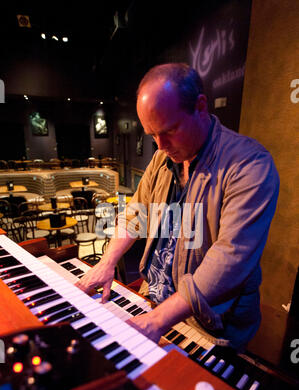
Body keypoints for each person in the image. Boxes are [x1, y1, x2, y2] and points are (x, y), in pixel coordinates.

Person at [76, 63, 279, 351]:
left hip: (207, 325)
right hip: (153, 299)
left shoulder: (249, 165)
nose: (160, 146)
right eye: (152, 135)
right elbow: (137, 210)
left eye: (169, 130)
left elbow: (229, 259)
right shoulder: (164, 157)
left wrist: (157, 320)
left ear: (200, 106)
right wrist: (107, 262)